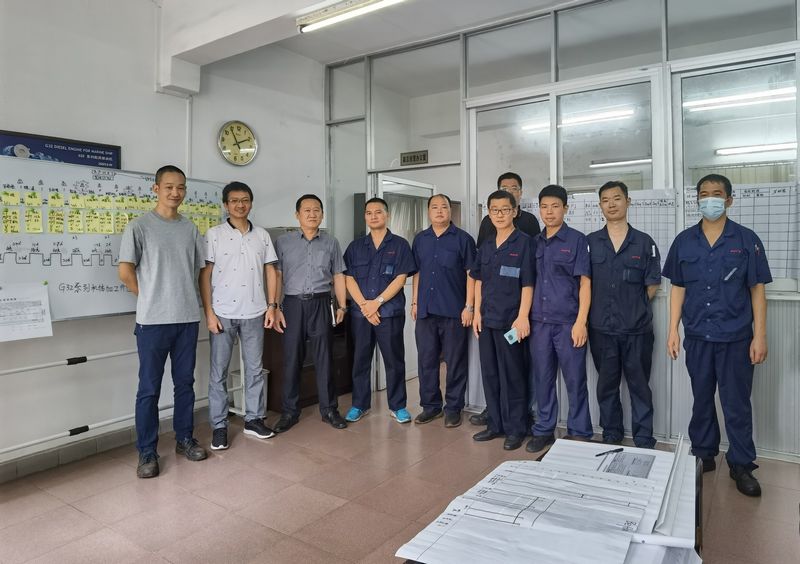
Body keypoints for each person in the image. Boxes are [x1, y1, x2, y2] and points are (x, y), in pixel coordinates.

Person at [663, 173, 770, 497]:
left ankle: (741, 464)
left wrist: (760, 336)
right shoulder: (684, 241)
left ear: (729, 200)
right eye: (704, 194)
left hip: (736, 337)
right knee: (701, 399)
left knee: (736, 403)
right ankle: (703, 453)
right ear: (697, 199)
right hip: (698, 335)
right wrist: (672, 330)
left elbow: (757, 290)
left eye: (717, 193)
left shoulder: (746, 239)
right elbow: (678, 288)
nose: (710, 199)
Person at [119, 165, 207, 479]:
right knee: (149, 389)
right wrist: (149, 298)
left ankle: (184, 439)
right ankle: (147, 452)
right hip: (152, 323)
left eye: (180, 187)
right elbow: (125, 271)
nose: (175, 192)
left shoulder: (190, 228)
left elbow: (200, 270)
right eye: (169, 186)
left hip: (187, 319)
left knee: (185, 384)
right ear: (156, 189)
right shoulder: (139, 226)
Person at [200, 181, 278, 450]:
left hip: (255, 311)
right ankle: (219, 426)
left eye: (245, 200)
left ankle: (254, 420)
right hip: (222, 312)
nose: (240, 205)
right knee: (218, 372)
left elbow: (271, 271)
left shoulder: (262, 235)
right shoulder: (214, 234)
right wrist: (209, 313)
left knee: (255, 369)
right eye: (234, 201)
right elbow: (205, 275)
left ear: (251, 203)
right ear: (226, 205)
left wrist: (272, 305)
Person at [587, 181, 661, 448]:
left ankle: (643, 436)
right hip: (601, 329)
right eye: (606, 200)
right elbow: (583, 284)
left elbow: (652, 286)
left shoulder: (644, 242)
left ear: (628, 202)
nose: (611, 204)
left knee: (639, 385)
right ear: (600, 205)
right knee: (606, 385)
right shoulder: (590, 243)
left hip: (637, 329)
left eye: (617, 198)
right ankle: (611, 432)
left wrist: (632, 307)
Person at [272, 194, 348, 433]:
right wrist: (275, 307)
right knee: (292, 359)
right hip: (293, 305)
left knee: (324, 358)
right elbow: (277, 276)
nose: (312, 214)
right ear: (297, 215)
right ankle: (289, 412)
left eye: (317, 210)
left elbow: (338, 275)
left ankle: (329, 410)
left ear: (322, 215)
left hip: (321, 303)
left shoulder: (331, 242)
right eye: (307, 210)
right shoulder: (283, 242)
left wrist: (342, 306)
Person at [527, 184, 593, 453]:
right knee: (542, 378)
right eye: (544, 207)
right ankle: (544, 429)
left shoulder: (577, 240)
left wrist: (581, 322)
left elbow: (585, 283)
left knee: (575, 379)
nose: (549, 212)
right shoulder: (533, 242)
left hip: (568, 323)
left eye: (555, 206)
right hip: (539, 323)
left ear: (566, 208)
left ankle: (579, 432)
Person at [472, 172, 541, 427]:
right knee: (490, 373)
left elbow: (528, 283)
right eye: (495, 210)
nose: (499, 214)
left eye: (505, 209)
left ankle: (516, 428)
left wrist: (522, 317)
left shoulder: (525, 243)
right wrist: (476, 312)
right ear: (489, 214)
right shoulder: (487, 245)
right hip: (487, 320)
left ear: (514, 211)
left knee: (513, 375)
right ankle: (495, 424)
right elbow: (478, 280)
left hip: (511, 322)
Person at [343, 197, 416, 424]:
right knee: (360, 360)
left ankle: (398, 406)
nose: (373, 216)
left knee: (394, 361)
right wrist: (366, 306)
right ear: (365, 216)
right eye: (369, 213)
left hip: (389, 313)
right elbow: (348, 279)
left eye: (378, 212)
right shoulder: (355, 247)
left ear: (387, 215)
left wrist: (377, 302)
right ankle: (359, 405)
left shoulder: (400, 245)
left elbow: (400, 278)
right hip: (361, 315)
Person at [411, 194, 477, 428]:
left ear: (450, 211)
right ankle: (430, 407)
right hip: (426, 311)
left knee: (455, 362)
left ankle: (453, 408)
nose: (439, 211)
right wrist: (415, 303)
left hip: (454, 311)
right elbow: (417, 273)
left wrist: (469, 306)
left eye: (444, 207)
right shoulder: (420, 239)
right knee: (426, 360)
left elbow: (472, 275)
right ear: (428, 211)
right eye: (435, 207)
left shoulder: (463, 239)